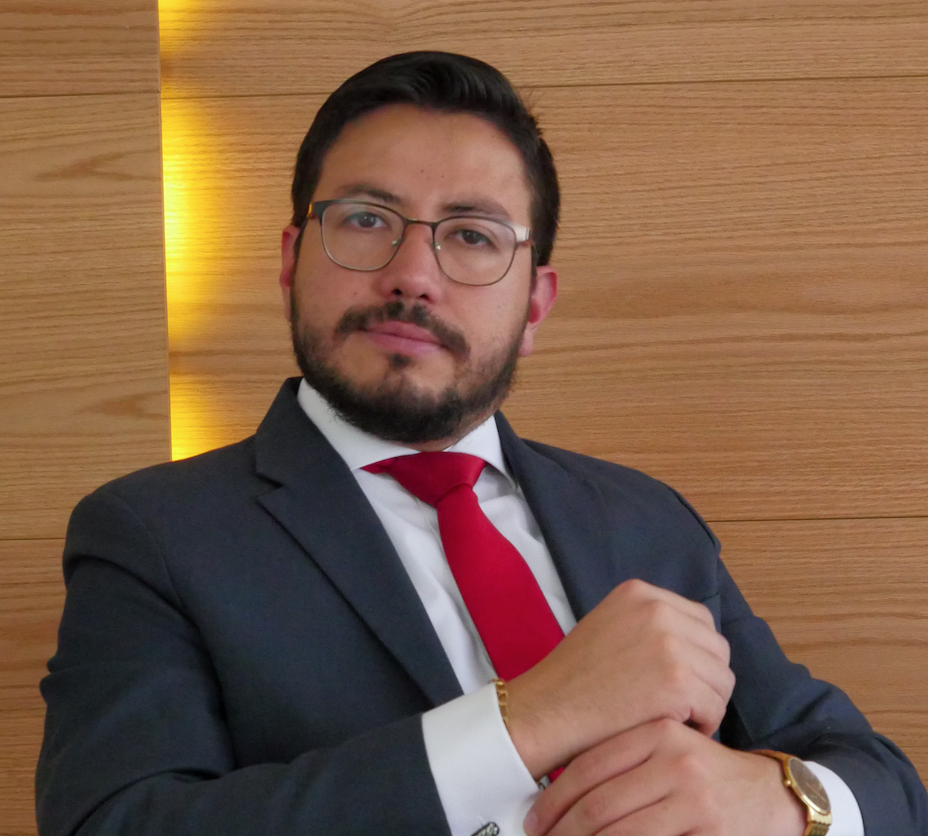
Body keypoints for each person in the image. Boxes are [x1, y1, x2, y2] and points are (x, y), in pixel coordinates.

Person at [36, 51, 925, 836]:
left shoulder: (646, 519)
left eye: (471, 235)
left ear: (535, 304)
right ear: (290, 260)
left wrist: (775, 801)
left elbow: (883, 784)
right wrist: (526, 721)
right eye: (366, 219)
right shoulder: (153, 535)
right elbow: (117, 822)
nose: (412, 276)